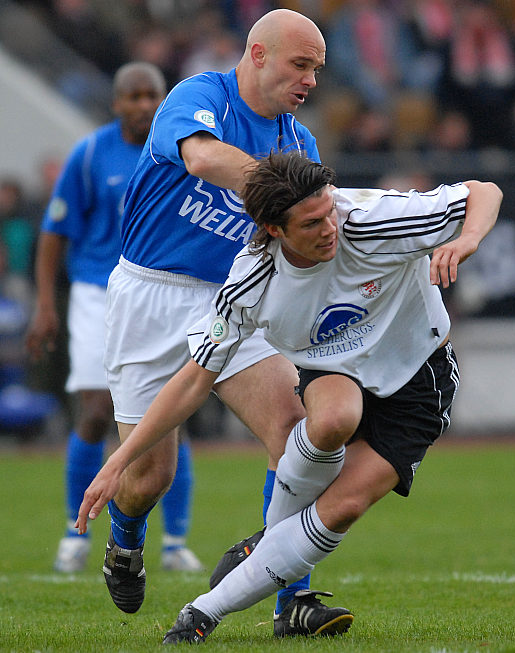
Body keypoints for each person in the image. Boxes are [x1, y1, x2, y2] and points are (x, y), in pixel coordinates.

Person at [76, 151, 502, 642]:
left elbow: (485, 191)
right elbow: (194, 380)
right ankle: (276, 565)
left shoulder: (369, 220)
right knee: (333, 417)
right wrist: (117, 461)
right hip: (334, 369)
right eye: (312, 223)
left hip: (417, 378)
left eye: (329, 212)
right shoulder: (253, 279)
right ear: (273, 230)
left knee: (342, 506)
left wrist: (468, 239)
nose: (330, 228)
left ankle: (202, 612)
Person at [90, 10, 333, 628]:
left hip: (230, 299)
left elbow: (310, 234)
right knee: (149, 476)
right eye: (299, 64)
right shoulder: (201, 95)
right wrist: (285, 193)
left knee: (295, 431)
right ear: (257, 54)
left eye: (317, 70)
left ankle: (291, 601)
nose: (309, 80)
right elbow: (201, 160)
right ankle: (125, 537)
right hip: (148, 293)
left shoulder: (298, 143)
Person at [25, 62, 204, 574]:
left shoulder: (181, 149)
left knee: (171, 416)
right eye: (134, 96)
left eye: (154, 95)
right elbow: (54, 232)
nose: (145, 104)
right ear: (116, 103)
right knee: (97, 410)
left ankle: (174, 540)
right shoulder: (89, 155)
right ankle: (74, 530)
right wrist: (44, 305)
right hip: (95, 293)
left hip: (164, 291)